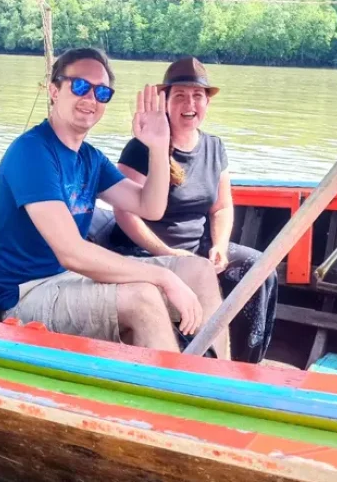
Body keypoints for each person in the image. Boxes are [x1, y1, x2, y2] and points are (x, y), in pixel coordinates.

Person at [0, 48, 228, 357]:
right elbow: (72, 252)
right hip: (27, 294)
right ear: (53, 90)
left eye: (102, 92)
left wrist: (157, 147)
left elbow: (149, 206)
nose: (90, 98)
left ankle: (214, 379)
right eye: (79, 86)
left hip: (70, 279)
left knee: (199, 270)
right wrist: (164, 277)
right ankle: (174, 397)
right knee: (143, 295)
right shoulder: (32, 153)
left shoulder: (91, 159)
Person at [108, 57, 278, 364]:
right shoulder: (142, 147)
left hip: (197, 248)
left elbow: (222, 206)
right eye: (181, 96)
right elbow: (125, 213)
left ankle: (244, 363)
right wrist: (168, 253)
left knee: (260, 269)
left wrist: (220, 247)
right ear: (166, 101)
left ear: (207, 102)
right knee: (192, 271)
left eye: (198, 96)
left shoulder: (215, 147)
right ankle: (198, 362)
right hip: (144, 250)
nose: (190, 104)